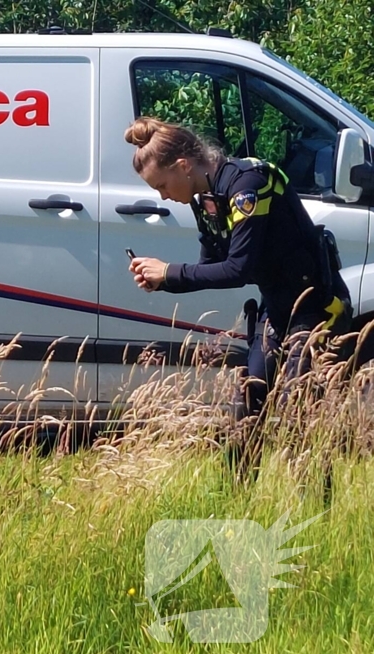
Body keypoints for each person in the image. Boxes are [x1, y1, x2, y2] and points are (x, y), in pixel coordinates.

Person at [123, 117, 352, 478]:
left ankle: (315, 511)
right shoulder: (208, 198)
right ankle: (236, 502)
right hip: (276, 309)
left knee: (301, 412)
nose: (163, 196)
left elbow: (237, 270)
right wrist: (161, 281)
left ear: (184, 166)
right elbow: (209, 268)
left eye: (163, 185)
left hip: (316, 307)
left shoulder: (247, 185)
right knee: (247, 403)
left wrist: (168, 271)